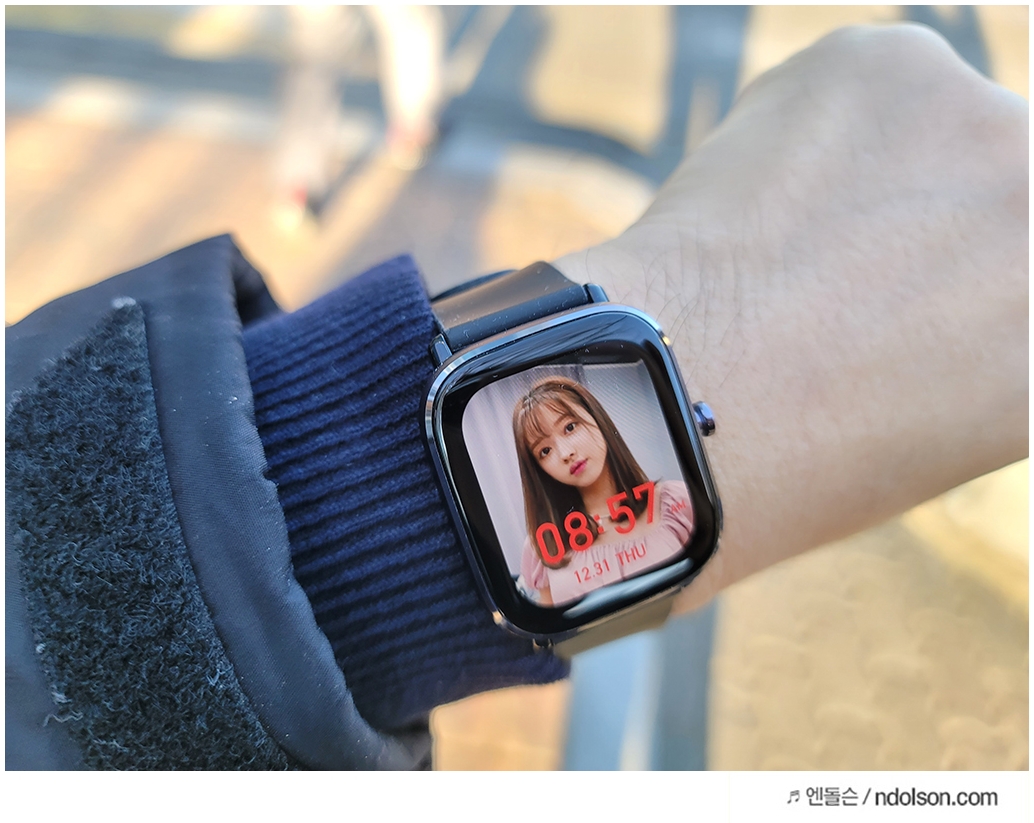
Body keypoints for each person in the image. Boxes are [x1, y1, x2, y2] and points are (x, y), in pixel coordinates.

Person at [6, 25, 1026, 769]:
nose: (561, 446)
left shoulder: (653, 523)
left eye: (566, 420)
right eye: (540, 443)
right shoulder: (574, 554)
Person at [512, 376, 694, 606]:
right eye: (545, 451)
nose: (565, 453)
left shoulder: (676, 502)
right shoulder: (544, 544)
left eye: (570, 427)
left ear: (597, 419)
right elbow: (552, 623)